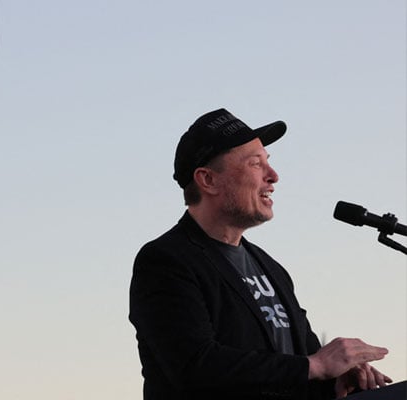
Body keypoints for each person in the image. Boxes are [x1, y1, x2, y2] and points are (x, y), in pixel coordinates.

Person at [129, 108, 392, 399]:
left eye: (268, 162)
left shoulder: (271, 269)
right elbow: (194, 366)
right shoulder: (166, 260)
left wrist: (336, 380)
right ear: (208, 180)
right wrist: (314, 366)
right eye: (256, 164)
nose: (273, 176)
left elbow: (301, 366)